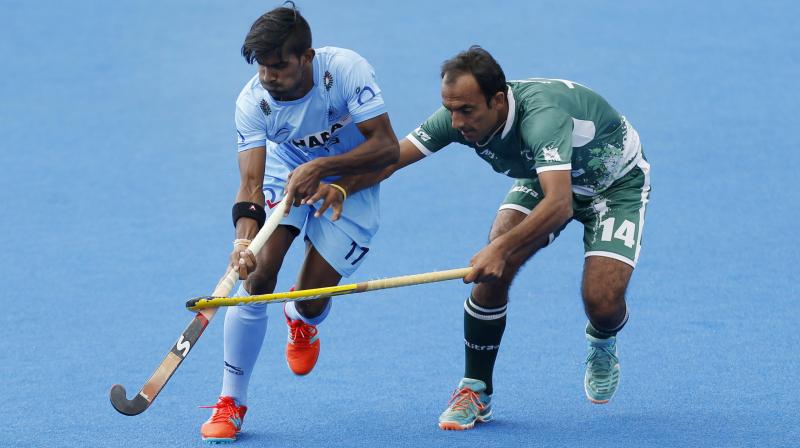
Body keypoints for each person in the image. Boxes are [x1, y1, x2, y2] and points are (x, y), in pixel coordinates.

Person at [308, 46, 651, 430]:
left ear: (499, 100)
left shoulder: (543, 119)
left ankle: (603, 337)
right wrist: (343, 187)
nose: (456, 122)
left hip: (612, 187)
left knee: (601, 302)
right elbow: (392, 159)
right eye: (450, 109)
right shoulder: (457, 115)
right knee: (492, 274)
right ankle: (476, 388)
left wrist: (500, 250)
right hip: (546, 175)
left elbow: (560, 205)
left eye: (466, 111)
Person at [199, 3, 399, 443]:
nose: (269, 77)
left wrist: (325, 168)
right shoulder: (253, 101)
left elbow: (387, 148)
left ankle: (300, 316)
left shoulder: (345, 71)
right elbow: (250, 183)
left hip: (354, 176)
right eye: (262, 67)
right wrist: (242, 241)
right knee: (258, 275)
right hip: (285, 173)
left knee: (312, 299)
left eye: (279, 66)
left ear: (306, 57)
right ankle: (231, 401)